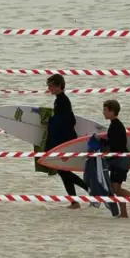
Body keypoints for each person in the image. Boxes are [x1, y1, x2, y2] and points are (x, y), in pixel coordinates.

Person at [46, 74, 89, 209]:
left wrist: (51, 122)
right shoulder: (61, 100)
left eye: (51, 85)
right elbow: (69, 120)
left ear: (59, 86)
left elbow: (65, 122)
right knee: (63, 171)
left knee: (63, 171)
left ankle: (87, 192)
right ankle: (75, 201)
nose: (49, 88)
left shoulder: (62, 101)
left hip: (64, 141)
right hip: (65, 140)